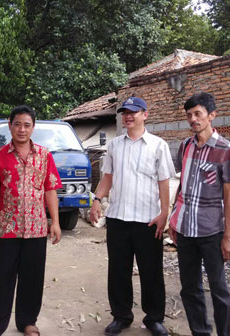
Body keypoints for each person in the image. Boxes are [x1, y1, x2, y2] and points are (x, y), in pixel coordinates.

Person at [90, 97, 176, 336]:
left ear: (145, 115)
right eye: (125, 113)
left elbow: (163, 182)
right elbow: (107, 178)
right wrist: (97, 200)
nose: (128, 116)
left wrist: (164, 214)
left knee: (151, 271)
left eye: (134, 112)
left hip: (148, 220)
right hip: (118, 218)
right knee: (118, 270)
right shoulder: (115, 146)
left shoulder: (158, 145)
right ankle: (121, 315)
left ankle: (154, 318)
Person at [0, 105, 62, 336]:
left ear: (33, 127)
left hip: (36, 229)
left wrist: (54, 222)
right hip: (7, 229)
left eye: (27, 125)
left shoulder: (45, 156)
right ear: (10, 125)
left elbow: (50, 190)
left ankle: (27, 321)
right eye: (18, 124)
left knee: (33, 278)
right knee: (2, 279)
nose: (22, 129)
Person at [169, 92, 230, 336]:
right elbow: (182, 185)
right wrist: (174, 219)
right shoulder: (184, 146)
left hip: (212, 231)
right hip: (185, 230)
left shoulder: (225, 150)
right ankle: (200, 332)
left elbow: (228, 196)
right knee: (189, 288)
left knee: (219, 288)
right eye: (189, 115)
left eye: (198, 114)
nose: (193, 119)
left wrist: (228, 236)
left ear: (211, 115)